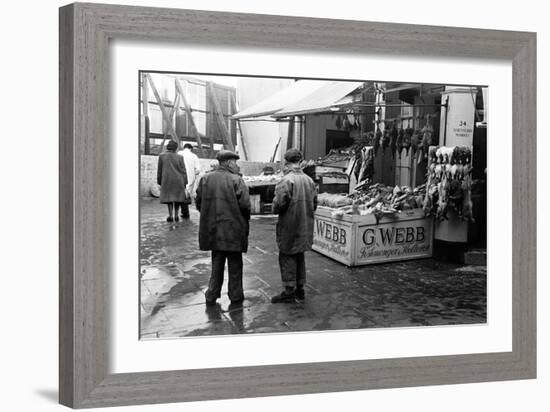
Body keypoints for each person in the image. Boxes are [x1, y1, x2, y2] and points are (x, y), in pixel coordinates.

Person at [196, 150, 251, 306]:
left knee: (217, 263)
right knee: (235, 264)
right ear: (228, 163)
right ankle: (236, 295)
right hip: (233, 229)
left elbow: (199, 202)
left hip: (214, 230)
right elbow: (245, 205)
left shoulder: (205, 179)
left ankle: (211, 294)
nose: (237, 165)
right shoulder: (236, 180)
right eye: (235, 162)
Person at [271, 148, 317, 303]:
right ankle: (300, 288)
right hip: (305, 224)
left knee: (287, 254)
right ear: (300, 161)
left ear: (286, 162)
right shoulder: (309, 180)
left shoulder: (286, 180)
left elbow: (278, 204)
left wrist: (275, 208)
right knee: (299, 254)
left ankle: (289, 290)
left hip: (289, 225)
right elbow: (315, 203)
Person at [157, 140, 188, 222]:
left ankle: (170, 215)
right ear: (176, 148)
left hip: (167, 180)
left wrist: (159, 181)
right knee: (177, 198)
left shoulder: (162, 156)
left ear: (167, 147)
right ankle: (176, 215)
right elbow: (183, 170)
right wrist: (185, 182)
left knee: (169, 199)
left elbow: (159, 170)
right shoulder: (180, 157)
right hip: (179, 180)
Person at [177, 143, 201, 219]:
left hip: (179, 177)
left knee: (178, 195)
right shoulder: (194, 156)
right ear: (191, 148)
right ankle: (185, 213)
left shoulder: (178, 154)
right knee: (186, 194)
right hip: (190, 178)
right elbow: (198, 170)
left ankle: (175, 214)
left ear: (184, 148)